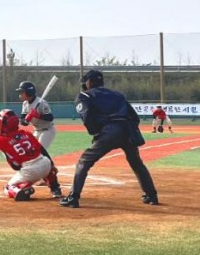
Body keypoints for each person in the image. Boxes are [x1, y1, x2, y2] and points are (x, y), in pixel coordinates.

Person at [60, 70, 158, 208]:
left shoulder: (84, 95)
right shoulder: (118, 95)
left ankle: (73, 197)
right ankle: (151, 196)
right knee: (136, 163)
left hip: (109, 131)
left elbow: (87, 116)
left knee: (84, 161)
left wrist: (96, 132)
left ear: (90, 82)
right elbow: (134, 117)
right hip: (127, 130)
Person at [16, 81, 56, 149]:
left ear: (29, 93)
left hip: (47, 130)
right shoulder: (25, 104)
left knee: (40, 151)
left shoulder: (42, 103)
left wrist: (38, 116)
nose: (20, 94)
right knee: (31, 151)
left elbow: (50, 117)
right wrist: (26, 119)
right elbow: (23, 122)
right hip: (36, 131)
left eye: (22, 92)